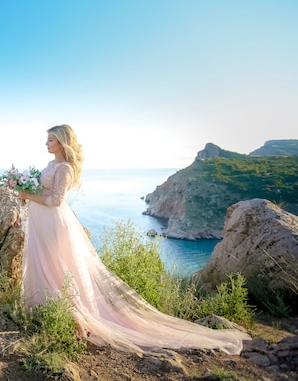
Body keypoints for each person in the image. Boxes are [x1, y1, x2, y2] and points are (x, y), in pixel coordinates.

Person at [18, 124, 250, 355]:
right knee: (43, 262)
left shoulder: (65, 168)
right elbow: (44, 192)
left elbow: (57, 200)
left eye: (50, 140)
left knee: (59, 268)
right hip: (40, 221)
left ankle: (75, 319)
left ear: (61, 142)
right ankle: (43, 309)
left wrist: (27, 194)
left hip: (54, 222)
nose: (46, 144)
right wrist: (24, 186)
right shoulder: (50, 165)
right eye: (47, 140)